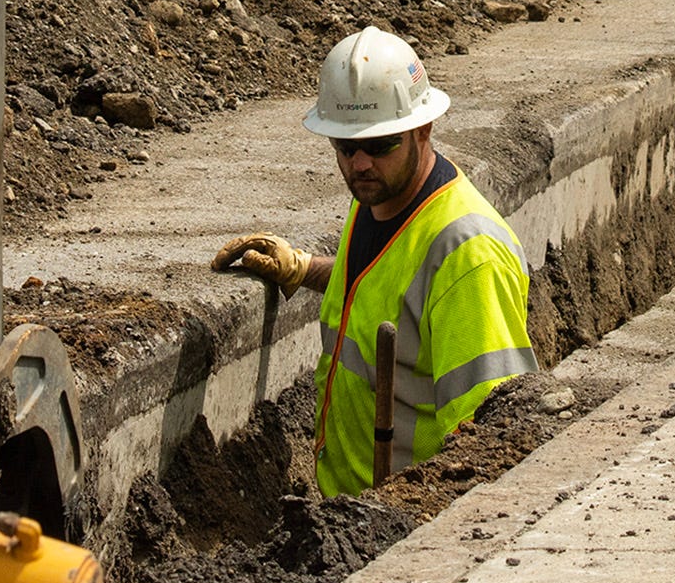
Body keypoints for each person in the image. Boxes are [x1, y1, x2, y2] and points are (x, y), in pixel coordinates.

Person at [211, 26, 537, 498]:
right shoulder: (377, 199)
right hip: (351, 515)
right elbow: (386, 295)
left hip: (410, 529)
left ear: (423, 129)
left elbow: (493, 438)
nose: (360, 163)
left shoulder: (467, 255)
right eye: (346, 147)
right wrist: (303, 269)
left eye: (381, 145)